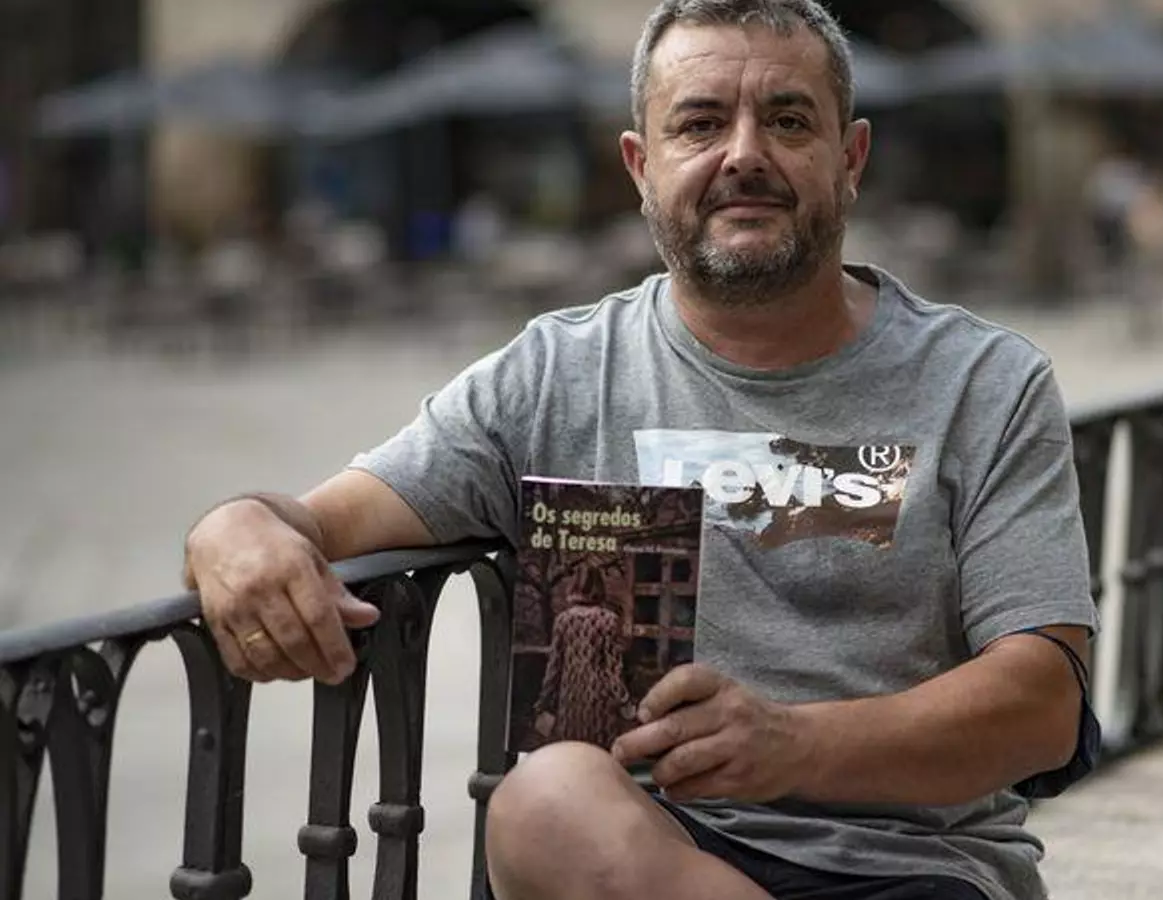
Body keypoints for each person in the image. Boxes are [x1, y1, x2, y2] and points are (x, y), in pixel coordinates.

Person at [180, 2, 1099, 899]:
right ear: (640, 166)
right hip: (654, 857)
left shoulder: (986, 382)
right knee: (544, 801)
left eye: (788, 121)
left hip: (912, 869)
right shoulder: (555, 374)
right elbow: (320, 518)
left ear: (850, 159)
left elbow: (1045, 704)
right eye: (700, 124)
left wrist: (793, 744)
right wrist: (234, 528)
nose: (744, 154)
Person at [531, 567, 635, 748]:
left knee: (570, 753)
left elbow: (554, 667)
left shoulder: (563, 620)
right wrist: (624, 700)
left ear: (574, 586)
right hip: (600, 704)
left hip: (570, 701)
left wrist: (544, 701)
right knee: (598, 754)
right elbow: (613, 669)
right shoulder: (608, 620)